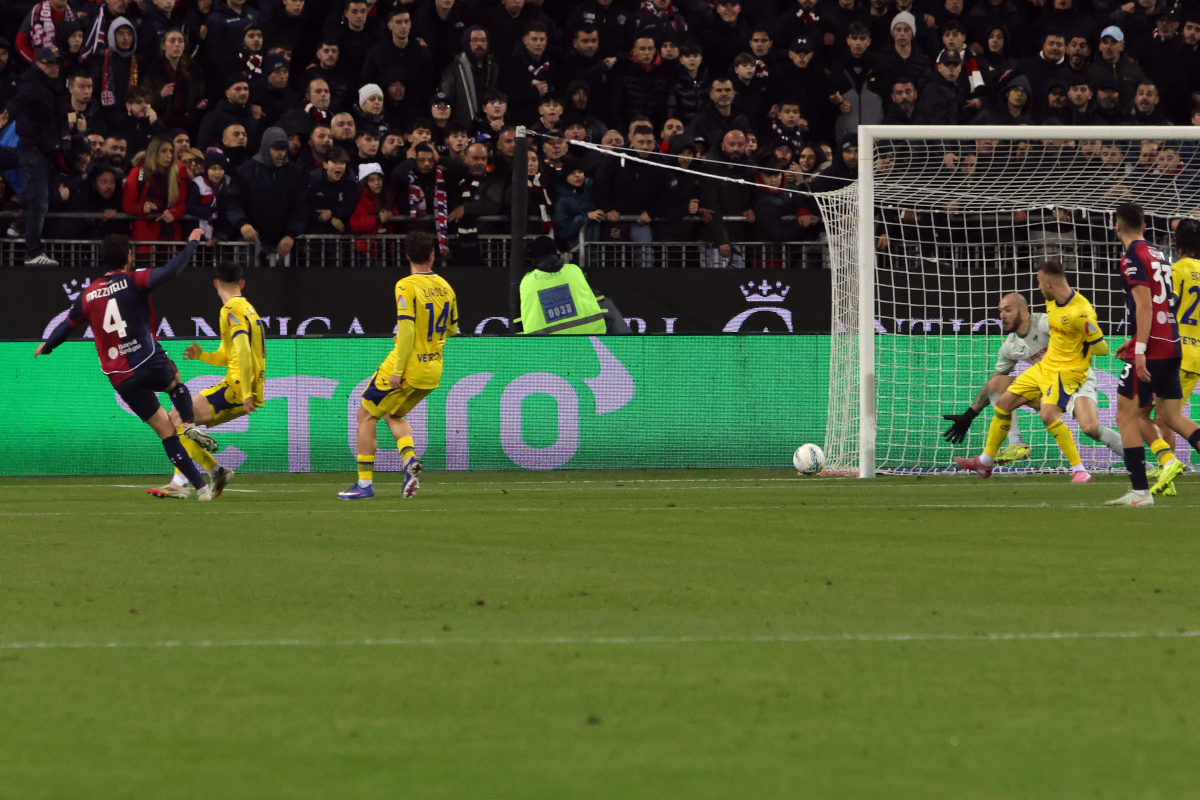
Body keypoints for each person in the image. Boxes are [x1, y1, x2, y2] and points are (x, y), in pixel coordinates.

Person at [35, 229, 215, 500]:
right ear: (129, 257)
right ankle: (189, 422)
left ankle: (201, 489)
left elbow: (65, 327)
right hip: (147, 359)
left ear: (104, 260)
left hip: (120, 376)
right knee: (176, 384)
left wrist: (46, 346)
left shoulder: (88, 295)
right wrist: (191, 243)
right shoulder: (134, 280)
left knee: (165, 431)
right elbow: (171, 271)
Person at [953, 261, 1108, 483]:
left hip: (1067, 372)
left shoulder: (1078, 312)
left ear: (1047, 283)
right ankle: (989, 460)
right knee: (1004, 400)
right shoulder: (1050, 305)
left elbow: (1102, 349)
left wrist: (1084, 337)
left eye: (1038, 281)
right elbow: (995, 381)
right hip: (1044, 371)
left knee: (1063, 419)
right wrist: (970, 414)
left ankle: (1080, 469)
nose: (1037, 286)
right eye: (1000, 311)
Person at [941, 292, 1127, 464]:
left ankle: (1143, 464)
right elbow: (993, 386)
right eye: (1000, 311)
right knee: (997, 383)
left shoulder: (1045, 324)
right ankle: (1016, 445)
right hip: (1046, 388)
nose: (1002, 316)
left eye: (1007, 310)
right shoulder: (1010, 346)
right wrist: (969, 415)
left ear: (1023, 311)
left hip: (1075, 380)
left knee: (1090, 428)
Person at [340, 231, 457, 500]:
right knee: (394, 414)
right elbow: (451, 328)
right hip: (433, 369)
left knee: (365, 415)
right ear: (432, 255)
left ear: (406, 255)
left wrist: (398, 369)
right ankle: (408, 461)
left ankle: (364, 484)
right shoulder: (446, 287)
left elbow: (405, 330)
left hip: (407, 366)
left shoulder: (405, 285)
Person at [146, 260, 264, 499]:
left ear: (215, 283)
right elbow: (230, 355)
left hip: (236, 388)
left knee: (175, 418)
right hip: (244, 386)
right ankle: (215, 472)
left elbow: (242, 351)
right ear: (242, 283)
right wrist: (203, 356)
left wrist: (245, 393)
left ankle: (184, 481)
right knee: (180, 420)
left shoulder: (230, 310)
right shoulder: (250, 309)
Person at [1107, 204, 1200, 506]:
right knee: (1171, 416)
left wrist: (1141, 349)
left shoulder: (1132, 256)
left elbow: (1146, 307)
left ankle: (1140, 491)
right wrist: (1136, 341)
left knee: (1127, 415)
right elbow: (1167, 303)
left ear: (1117, 227)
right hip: (1174, 344)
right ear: (1145, 226)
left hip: (1154, 347)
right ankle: (1161, 465)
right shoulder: (1161, 256)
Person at [13, 45, 70, 265]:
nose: (54, 67)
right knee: (39, 202)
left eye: (56, 63)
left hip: (43, 150)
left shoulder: (52, 85)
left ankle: (17, 226)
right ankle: (33, 253)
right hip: (33, 150)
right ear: (38, 64)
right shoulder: (31, 86)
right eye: (49, 63)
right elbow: (18, 102)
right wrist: (6, 113)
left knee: (42, 198)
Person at [224, 126, 308, 264]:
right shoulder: (245, 171)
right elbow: (233, 202)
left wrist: (291, 234)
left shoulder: (295, 172)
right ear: (266, 148)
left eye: (283, 149)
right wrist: (243, 224)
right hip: (250, 240)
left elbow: (301, 206)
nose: (281, 153)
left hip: (283, 241)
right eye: (276, 149)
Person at [519, 236, 607, 334]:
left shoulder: (528, 281)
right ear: (556, 253)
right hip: (591, 336)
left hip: (546, 345)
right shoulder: (574, 270)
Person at [121, 135, 187, 243]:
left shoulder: (178, 174)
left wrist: (173, 213)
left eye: (171, 151)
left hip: (171, 238)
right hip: (145, 237)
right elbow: (127, 204)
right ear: (154, 152)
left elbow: (182, 203)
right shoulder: (138, 173)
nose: (169, 155)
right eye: (163, 151)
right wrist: (142, 208)